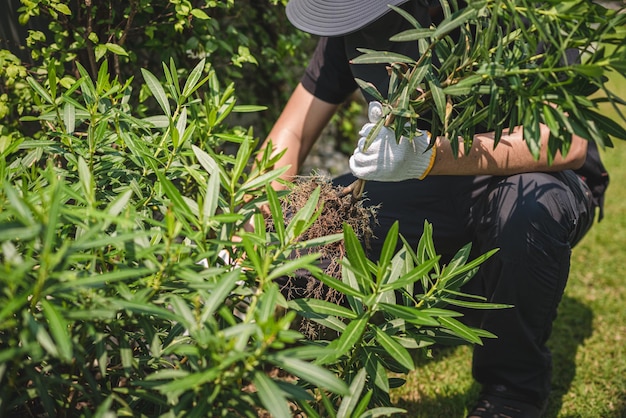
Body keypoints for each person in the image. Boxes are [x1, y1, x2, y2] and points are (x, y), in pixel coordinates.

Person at [261, 0, 609, 417]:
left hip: (534, 179)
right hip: (433, 183)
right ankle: (313, 364)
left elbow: (566, 141)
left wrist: (429, 156)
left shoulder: (511, 14)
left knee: (528, 215)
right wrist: (252, 212)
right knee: (315, 224)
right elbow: (294, 130)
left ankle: (512, 391)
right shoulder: (351, 25)